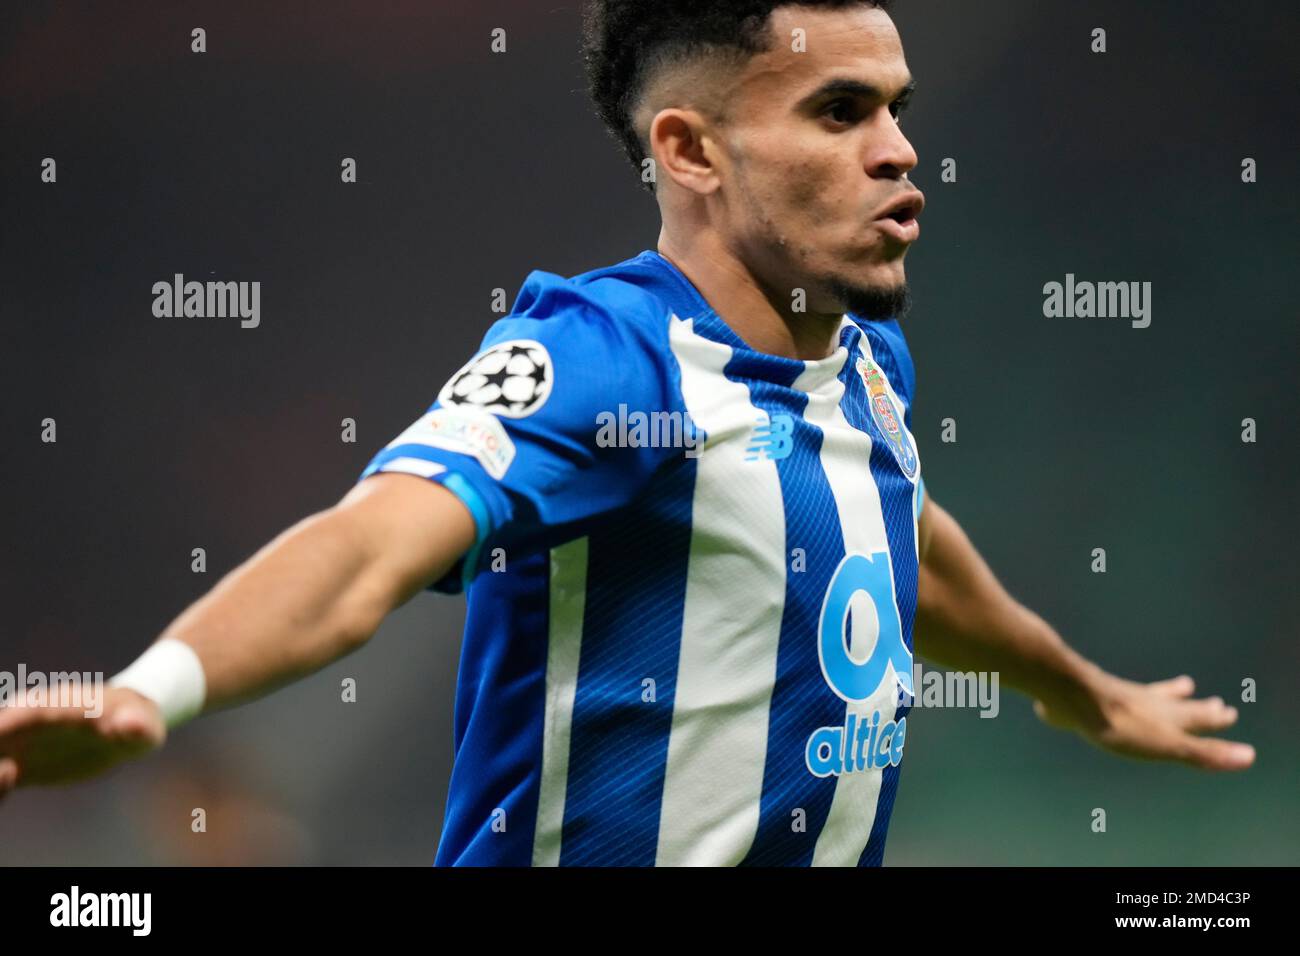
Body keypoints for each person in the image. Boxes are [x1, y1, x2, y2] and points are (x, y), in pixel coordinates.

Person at [0, 0, 1253, 866]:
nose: (901, 151)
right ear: (690, 148)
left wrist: (1077, 692)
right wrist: (150, 692)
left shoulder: (867, 362)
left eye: (896, 109)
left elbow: (896, 540)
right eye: (839, 112)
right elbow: (366, 546)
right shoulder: (600, 361)